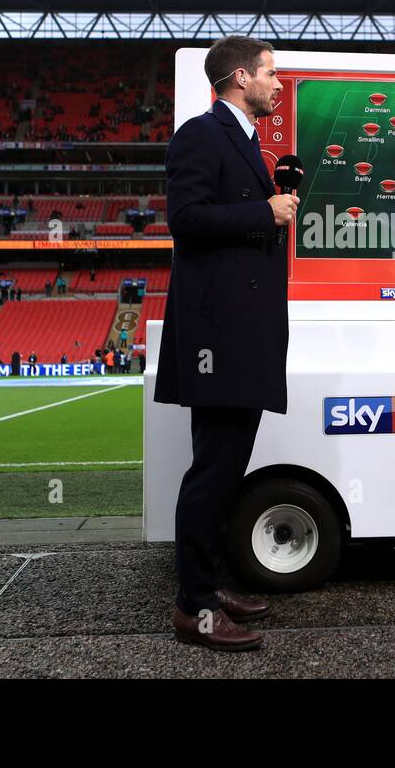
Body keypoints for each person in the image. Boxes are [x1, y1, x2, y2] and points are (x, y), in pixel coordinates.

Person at [154, 35, 295, 652]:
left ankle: (209, 587)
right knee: (213, 470)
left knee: (227, 467)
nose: (278, 84)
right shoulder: (199, 133)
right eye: (271, 73)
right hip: (219, 338)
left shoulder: (243, 138)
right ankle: (195, 609)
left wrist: (274, 195)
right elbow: (184, 221)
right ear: (240, 77)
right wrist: (263, 212)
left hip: (242, 332)